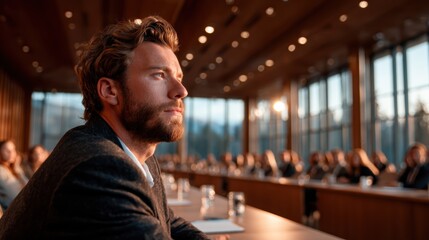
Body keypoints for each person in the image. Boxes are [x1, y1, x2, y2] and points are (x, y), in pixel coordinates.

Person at [0, 16, 208, 239]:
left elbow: (168, 222)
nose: (181, 90)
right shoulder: (98, 166)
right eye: (159, 75)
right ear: (110, 91)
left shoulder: (138, 158)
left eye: (178, 77)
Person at [0, 140, 29, 209]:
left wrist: (17, 168)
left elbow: (28, 185)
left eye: (13, 150)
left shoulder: (15, 168)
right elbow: (13, 194)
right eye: (6, 150)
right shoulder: (1, 170)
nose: (11, 153)